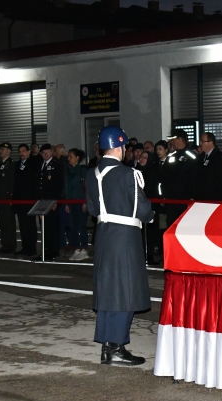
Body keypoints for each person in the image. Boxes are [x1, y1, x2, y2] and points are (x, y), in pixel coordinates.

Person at [86, 125, 153, 366]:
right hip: (125, 237)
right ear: (120, 147)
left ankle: (107, 345)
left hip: (103, 234)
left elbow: (93, 209)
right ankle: (116, 347)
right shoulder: (128, 174)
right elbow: (143, 210)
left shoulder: (91, 173)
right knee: (125, 291)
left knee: (108, 291)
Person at [161, 129, 197, 227]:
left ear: (180, 140)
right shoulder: (172, 156)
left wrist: (192, 196)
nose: (171, 142)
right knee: (171, 226)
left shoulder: (192, 156)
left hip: (184, 200)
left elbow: (194, 178)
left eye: (173, 139)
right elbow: (164, 176)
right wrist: (164, 194)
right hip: (171, 200)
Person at [37, 144, 64, 261]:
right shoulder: (41, 165)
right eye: (43, 153)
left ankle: (53, 250)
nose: (45, 154)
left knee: (52, 227)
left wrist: (55, 201)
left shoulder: (56, 165)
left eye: (47, 152)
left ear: (52, 152)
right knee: (44, 227)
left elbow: (58, 185)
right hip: (42, 201)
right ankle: (46, 250)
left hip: (52, 201)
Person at [13, 144, 39, 257]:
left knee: (30, 225)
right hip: (19, 200)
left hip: (29, 200)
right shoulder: (17, 165)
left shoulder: (33, 163)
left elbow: (35, 182)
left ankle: (31, 248)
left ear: (28, 152)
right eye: (19, 151)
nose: (21, 153)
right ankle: (25, 246)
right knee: (22, 225)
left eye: (23, 151)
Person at [64, 148, 89, 261]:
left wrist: (85, 202)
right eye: (68, 157)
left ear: (77, 158)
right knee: (73, 226)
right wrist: (67, 202)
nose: (69, 159)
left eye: (71, 156)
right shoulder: (68, 171)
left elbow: (87, 187)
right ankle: (77, 248)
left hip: (80, 201)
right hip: (72, 202)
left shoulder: (83, 170)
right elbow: (67, 188)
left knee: (81, 226)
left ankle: (84, 248)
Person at [0, 142, 16, 253]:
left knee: (9, 222)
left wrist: (11, 196)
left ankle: (10, 245)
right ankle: (5, 243)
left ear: (8, 151)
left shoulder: (12, 164)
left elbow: (12, 182)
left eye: (3, 149)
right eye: (0, 149)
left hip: (7, 198)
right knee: (2, 222)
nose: (0, 151)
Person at [194, 132, 222, 201]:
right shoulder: (200, 157)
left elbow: (221, 181)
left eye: (202, 141)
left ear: (210, 142)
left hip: (214, 198)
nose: (200, 144)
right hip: (200, 198)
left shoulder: (220, 158)